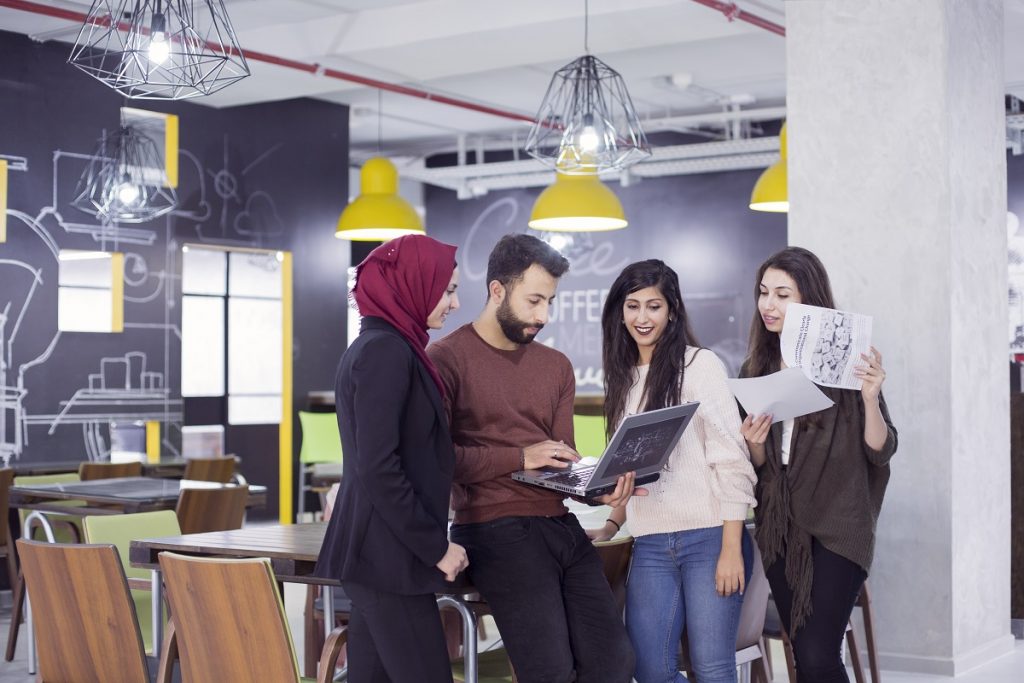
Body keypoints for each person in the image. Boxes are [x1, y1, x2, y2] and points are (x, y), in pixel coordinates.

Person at [427, 233, 639, 683]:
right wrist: (520, 455)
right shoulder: (445, 359)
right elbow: (439, 459)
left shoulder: (556, 366)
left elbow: (559, 458)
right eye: (534, 300)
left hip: (560, 525)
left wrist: (596, 489)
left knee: (615, 662)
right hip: (491, 527)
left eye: (550, 302)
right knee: (550, 671)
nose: (543, 315)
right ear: (497, 290)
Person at [589, 260, 757, 683]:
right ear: (619, 311)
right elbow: (632, 472)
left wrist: (731, 548)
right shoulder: (623, 377)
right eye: (632, 306)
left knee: (712, 668)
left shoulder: (700, 366)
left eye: (653, 306)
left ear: (673, 310)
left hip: (711, 537)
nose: (642, 318)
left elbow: (732, 460)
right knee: (650, 671)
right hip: (650, 544)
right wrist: (611, 525)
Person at [314, 234, 469, 683]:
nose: (455, 304)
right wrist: (435, 545)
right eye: (449, 290)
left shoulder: (388, 347)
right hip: (387, 559)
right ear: (414, 285)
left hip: (382, 558)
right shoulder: (385, 352)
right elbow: (379, 468)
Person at [739, 246, 897, 683]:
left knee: (816, 653)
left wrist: (869, 399)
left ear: (809, 301)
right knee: (808, 657)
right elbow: (763, 468)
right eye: (764, 292)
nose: (768, 305)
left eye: (783, 295)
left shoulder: (850, 362)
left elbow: (880, 451)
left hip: (839, 524)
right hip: (780, 528)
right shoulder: (756, 366)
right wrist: (753, 444)